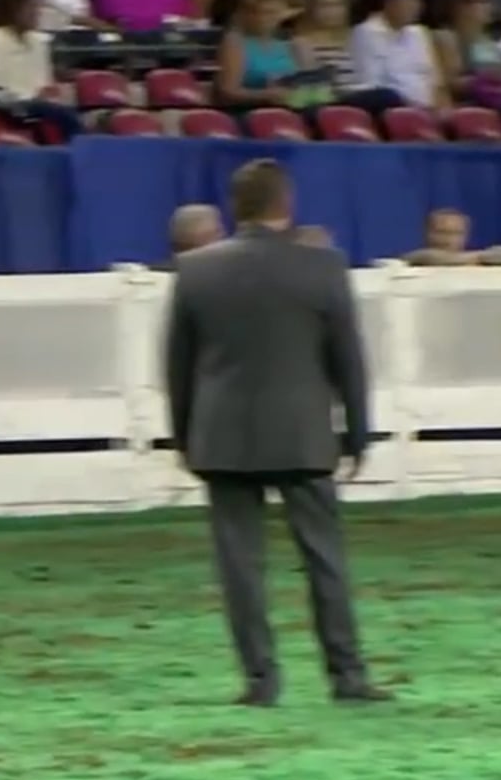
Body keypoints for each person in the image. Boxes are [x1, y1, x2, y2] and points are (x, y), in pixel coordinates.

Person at [164, 159, 390, 708]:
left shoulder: (195, 270)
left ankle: (261, 681)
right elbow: (348, 361)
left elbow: (177, 366)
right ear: (285, 205)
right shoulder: (323, 266)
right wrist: (358, 433)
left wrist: (185, 437)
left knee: (241, 566)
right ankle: (348, 676)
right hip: (302, 432)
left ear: (234, 206)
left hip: (223, 436)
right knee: (324, 559)